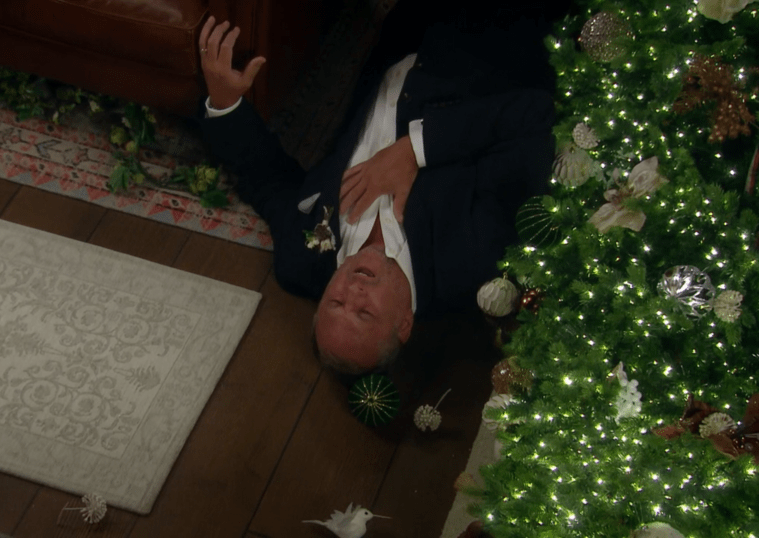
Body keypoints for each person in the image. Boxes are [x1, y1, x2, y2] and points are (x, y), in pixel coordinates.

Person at [198, 7, 557, 374]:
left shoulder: (301, 263)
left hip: (401, 31)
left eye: (336, 303)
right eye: (365, 312)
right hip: (490, 37)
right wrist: (417, 150)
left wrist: (225, 103)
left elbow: (269, 182)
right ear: (403, 324)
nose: (352, 292)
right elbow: (535, 118)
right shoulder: (472, 261)